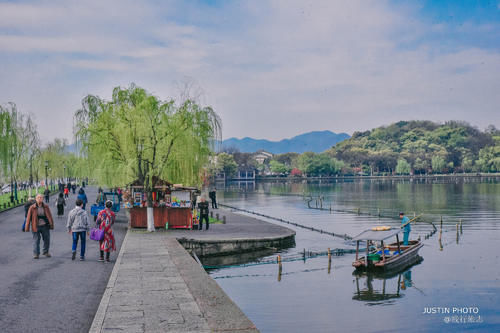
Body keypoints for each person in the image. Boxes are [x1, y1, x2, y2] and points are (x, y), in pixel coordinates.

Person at [25, 194, 54, 259]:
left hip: (45, 226)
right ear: (36, 199)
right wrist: (27, 227)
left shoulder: (46, 206)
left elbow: (50, 216)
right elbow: (28, 217)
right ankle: (36, 254)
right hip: (36, 226)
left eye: (41, 198)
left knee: (47, 239)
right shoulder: (32, 207)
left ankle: (46, 252)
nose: (39, 199)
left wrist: (51, 225)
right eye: (38, 198)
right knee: (36, 240)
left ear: (43, 199)